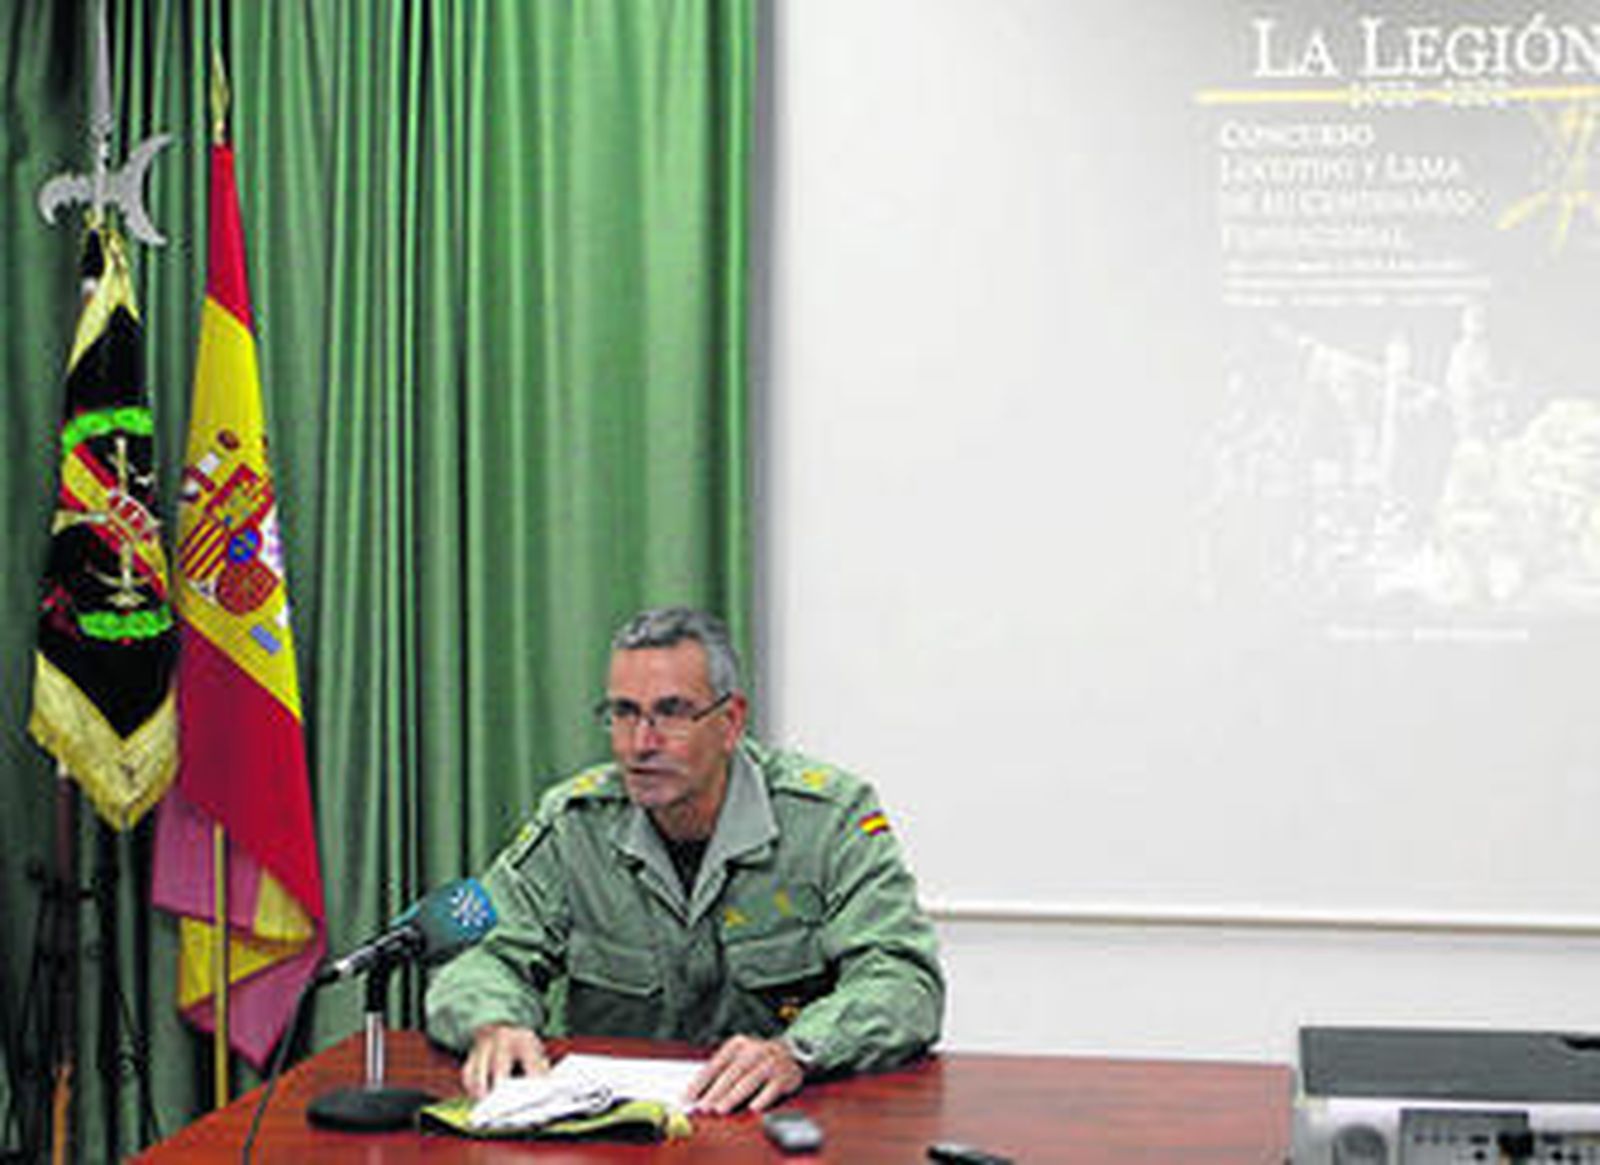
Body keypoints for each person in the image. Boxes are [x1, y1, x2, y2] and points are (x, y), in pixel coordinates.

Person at [425, 606, 944, 1114]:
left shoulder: (828, 818)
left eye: (671, 712)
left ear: (730, 721)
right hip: (619, 1133)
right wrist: (494, 1024)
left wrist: (798, 1050)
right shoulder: (574, 823)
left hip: (778, 1123)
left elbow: (903, 981)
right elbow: (482, 956)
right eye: (624, 713)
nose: (640, 743)